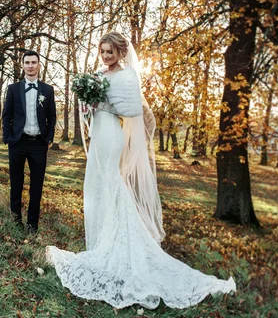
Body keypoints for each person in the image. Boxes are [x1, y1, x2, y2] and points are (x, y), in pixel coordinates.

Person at [46, 31, 235, 309]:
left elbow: (132, 109)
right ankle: (101, 245)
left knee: (111, 185)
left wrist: (101, 103)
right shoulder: (99, 74)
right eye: (103, 51)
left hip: (112, 137)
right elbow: (94, 109)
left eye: (111, 51)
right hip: (99, 133)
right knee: (96, 188)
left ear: (121, 52)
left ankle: (118, 246)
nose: (106, 56)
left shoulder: (126, 76)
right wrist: (88, 106)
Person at [2, 50, 56, 234]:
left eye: (34, 62)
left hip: (38, 144)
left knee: (36, 185)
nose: (31, 66)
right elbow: (6, 115)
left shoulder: (48, 90)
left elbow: (52, 117)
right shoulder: (13, 89)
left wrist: (48, 138)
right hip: (17, 143)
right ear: (22, 65)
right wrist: (8, 138)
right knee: (16, 183)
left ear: (39, 65)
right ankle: (15, 221)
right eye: (27, 62)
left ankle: (32, 225)